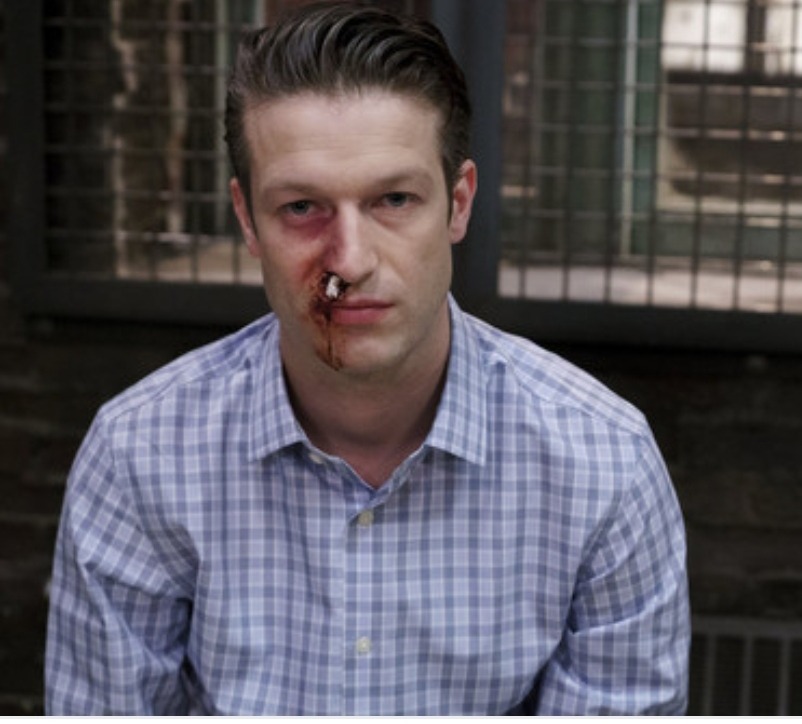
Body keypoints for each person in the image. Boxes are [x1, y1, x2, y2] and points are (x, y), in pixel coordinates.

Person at [45, 1, 690, 715]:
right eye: (301, 207)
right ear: (247, 218)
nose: (348, 261)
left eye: (394, 199)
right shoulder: (140, 455)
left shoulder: (604, 465)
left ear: (458, 204)